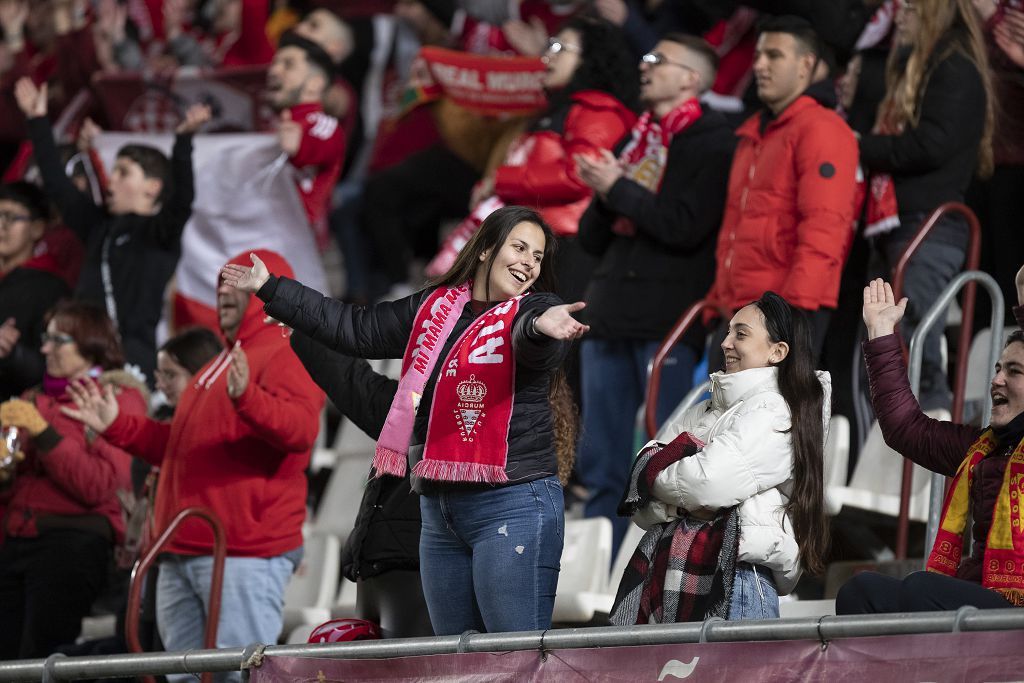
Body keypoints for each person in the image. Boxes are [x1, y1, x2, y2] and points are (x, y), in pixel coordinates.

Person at [222, 205, 587, 635]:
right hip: (438, 510)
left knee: (515, 657)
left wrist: (541, 325)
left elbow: (532, 335)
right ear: (487, 249)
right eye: (519, 247)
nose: (528, 261)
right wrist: (271, 287)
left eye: (538, 256)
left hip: (509, 503)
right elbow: (356, 329)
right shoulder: (434, 308)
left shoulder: (535, 309)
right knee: (452, 664)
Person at [64, 250, 324, 676]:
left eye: (237, 280)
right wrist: (116, 425)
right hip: (183, 548)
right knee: (184, 675)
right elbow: (181, 448)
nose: (223, 289)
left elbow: (299, 432)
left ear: (267, 285)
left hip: (240, 552)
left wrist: (248, 400)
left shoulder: (286, 347)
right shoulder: (223, 360)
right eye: (221, 280)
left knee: (239, 674)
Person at [573, 32, 736, 556]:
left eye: (656, 60)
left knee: (652, 456)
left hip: (666, 319)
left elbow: (685, 225)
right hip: (611, 312)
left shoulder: (713, 139)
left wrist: (617, 188)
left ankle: (645, 564)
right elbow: (592, 238)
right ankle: (595, 567)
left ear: (691, 77)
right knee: (599, 457)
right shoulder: (637, 136)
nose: (644, 68)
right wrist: (605, 191)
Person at [625, 291, 831, 620]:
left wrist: (669, 487)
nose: (725, 342)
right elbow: (639, 484)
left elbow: (708, 482)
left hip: (739, 581)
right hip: (672, 575)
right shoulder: (700, 412)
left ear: (777, 352)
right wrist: (686, 501)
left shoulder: (776, 410)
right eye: (728, 331)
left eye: (741, 334)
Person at [835, 276, 1024, 613]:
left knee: (922, 588)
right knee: (860, 591)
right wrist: (880, 334)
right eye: (997, 369)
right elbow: (904, 427)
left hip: (1014, 608)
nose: (997, 379)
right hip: (976, 595)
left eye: (1014, 371)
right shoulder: (980, 448)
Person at [433, 15, 639, 304]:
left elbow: (580, 175)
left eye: (559, 47)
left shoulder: (598, 110)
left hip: (565, 247)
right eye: (549, 46)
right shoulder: (557, 111)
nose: (547, 57)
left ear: (590, 57)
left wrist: (501, 181)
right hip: (540, 241)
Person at [15, 77, 210, 383]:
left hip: (131, 362)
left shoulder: (160, 234)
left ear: (152, 187)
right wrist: (38, 121)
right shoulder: (98, 228)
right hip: (79, 358)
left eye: (123, 172)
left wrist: (183, 143)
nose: (112, 181)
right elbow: (56, 184)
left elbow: (183, 201)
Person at [859, 0, 993, 410]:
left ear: (935, 12)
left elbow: (933, 143)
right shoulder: (917, 66)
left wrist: (862, 147)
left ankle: (932, 459)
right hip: (900, 225)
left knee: (914, 347)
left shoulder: (955, 67)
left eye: (911, 7)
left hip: (928, 227)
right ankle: (889, 461)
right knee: (884, 350)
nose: (900, 15)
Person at [703, 15, 859, 359]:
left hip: (784, 313)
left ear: (806, 64)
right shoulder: (750, 134)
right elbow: (735, 225)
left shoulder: (822, 128)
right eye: (758, 55)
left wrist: (790, 312)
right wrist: (719, 299)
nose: (759, 65)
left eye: (774, 56)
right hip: (740, 309)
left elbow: (825, 226)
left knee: (775, 412)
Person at [0, 301, 147, 658]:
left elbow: (99, 486)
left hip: (73, 542)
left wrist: (44, 433)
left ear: (90, 342)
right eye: (45, 338)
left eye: (58, 339)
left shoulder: (117, 399)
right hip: (15, 538)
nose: (45, 348)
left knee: (40, 659)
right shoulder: (32, 397)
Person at [267, 31, 347, 250]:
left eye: (288, 65)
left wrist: (299, 148)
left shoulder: (325, 126)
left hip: (296, 250)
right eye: (275, 63)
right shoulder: (264, 122)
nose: (274, 70)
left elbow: (322, 146)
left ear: (314, 84)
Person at [0, 181, 69, 401]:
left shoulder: (52, 289)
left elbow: (55, 368)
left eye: (11, 217)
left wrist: (12, 353)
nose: (2, 225)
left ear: (37, 228)